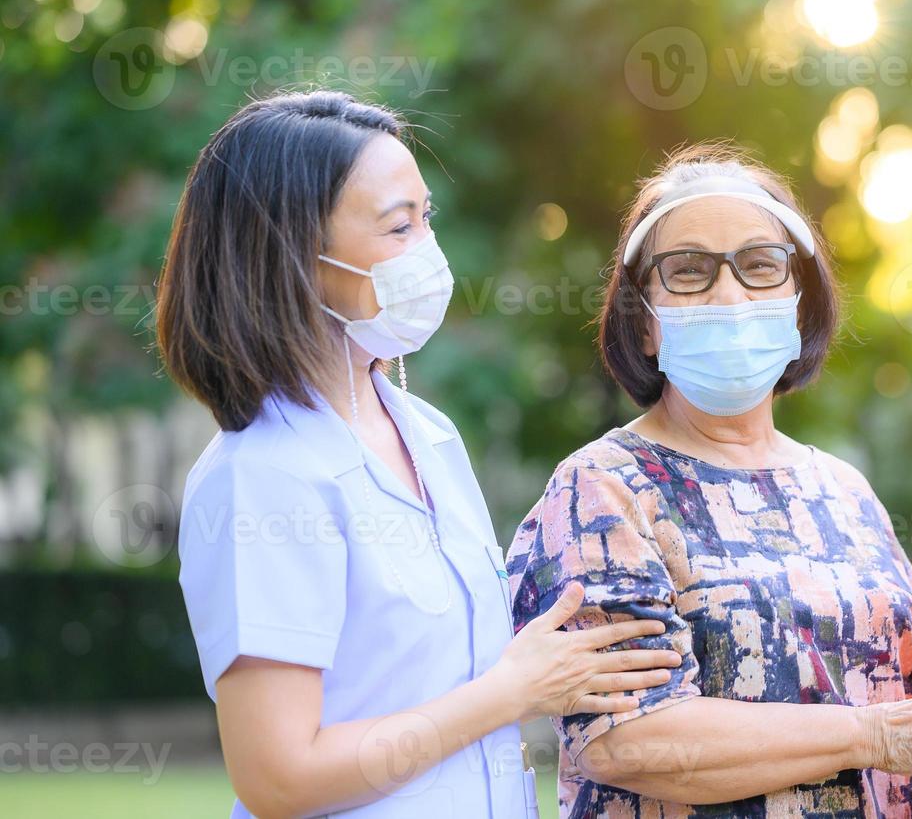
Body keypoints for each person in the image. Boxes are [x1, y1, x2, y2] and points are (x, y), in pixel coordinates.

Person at [156, 90, 681, 818]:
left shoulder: (427, 432)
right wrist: (511, 692)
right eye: (397, 227)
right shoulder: (262, 477)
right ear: (291, 253)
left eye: (425, 218)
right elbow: (278, 777)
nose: (428, 252)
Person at [504, 143, 912, 818]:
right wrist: (869, 736)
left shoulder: (839, 488)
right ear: (644, 326)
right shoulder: (600, 491)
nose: (729, 294)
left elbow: (911, 695)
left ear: (798, 304)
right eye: (689, 271)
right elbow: (629, 738)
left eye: (759, 266)